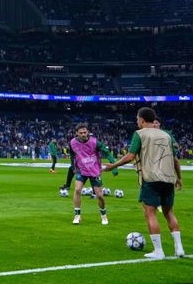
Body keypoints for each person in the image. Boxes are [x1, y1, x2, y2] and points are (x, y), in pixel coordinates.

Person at [104, 107, 184, 260]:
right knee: (169, 212)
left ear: (141, 119)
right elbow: (175, 160)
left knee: (150, 212)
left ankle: (158, 251)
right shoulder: (167, 135)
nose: (137, 121)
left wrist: (113, 166)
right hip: (168, 179)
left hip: (151, 179)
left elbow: (130, 156)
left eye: (137, 119)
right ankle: (179, 248)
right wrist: (179, 178)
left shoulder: (139, 134)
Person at [69, 124, 116, 225]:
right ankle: (77, 216)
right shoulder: (72, 142)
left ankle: (104, 215)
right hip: (82, 170)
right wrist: (73, 167)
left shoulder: (95, 142)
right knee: (77, 190)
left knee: (100, 196)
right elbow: (72, 154)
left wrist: (114, 167)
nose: (83, 134)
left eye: (85, 132)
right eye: (81, 133)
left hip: (94, 171)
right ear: (76, 133)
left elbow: (107, 152)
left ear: (88, 132)